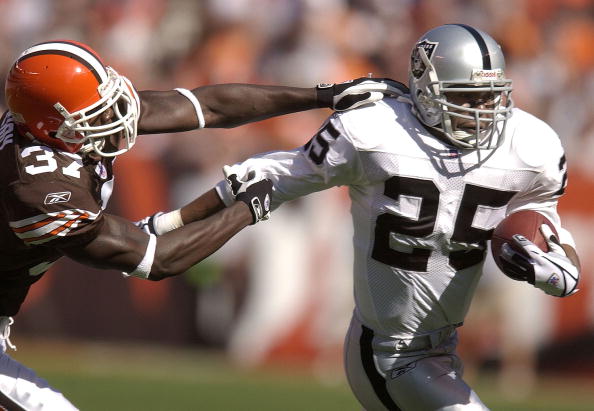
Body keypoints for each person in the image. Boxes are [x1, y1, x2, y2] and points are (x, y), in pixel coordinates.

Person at [0, 39, 399, 410]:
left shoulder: (50, 129)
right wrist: (252, 206)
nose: (112, 115)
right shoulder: (39, 189)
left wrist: (324, 95)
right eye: (93, 112)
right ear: (51, 128)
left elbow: (208, 108)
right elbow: (157, 261)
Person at [214, 24, 581, 410]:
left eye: (489, 97)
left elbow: (543, 219)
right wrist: (186, 222)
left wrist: (562, 270)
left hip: (440, 346)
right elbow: (287, 174)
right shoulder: (378, 129)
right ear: (425, 89)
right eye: (465, 96)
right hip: (389, 354)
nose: (480, 112)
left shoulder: (531, 144)